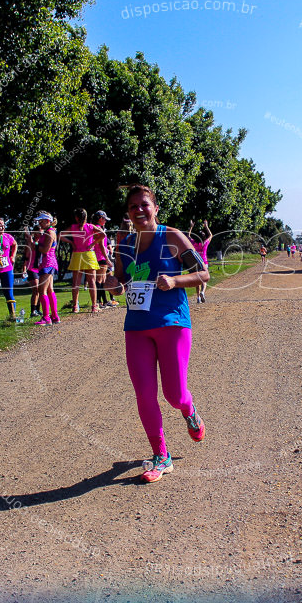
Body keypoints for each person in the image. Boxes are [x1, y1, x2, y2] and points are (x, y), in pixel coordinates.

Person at [105, 185, 210, 483]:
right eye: (132, 207)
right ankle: (161, 455)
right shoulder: (124, 244)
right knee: (144, 394)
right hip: (136, 327)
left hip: (172, 323)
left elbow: (203, 274)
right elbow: (120, 282)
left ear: (155, 208)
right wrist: (111, 282)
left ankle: (189, 411)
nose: (139, 210)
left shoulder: (172, 237)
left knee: (174, 394)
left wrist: (175, 280)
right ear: (128, 213)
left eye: (144, 205)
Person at [60, 208, 104, 313]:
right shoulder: (90, 226)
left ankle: (75, 306)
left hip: (77, 255)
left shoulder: (73, 227)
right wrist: (93, 243)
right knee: (92, 282)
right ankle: (94, 306)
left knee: (76, 282)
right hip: (89, 255)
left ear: (76, 217)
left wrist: (71, 243)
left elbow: (61, 236)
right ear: (86, 217)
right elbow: (103, 235)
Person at [33, 211, 61, 325]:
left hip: (47, 263)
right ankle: (54, 316)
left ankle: (46, 317)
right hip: (49, 262)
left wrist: (35, 244)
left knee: (42, 290)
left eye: (41, 221)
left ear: (48, 221)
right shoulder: (50, 232)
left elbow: (45, 249)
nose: (39, 223)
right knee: (49, 289)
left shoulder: (50, 232)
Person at [92, 210, 118, 308]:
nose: (106, 221)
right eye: (104, 219)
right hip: (101, 256)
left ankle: (104, 301)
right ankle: (98, 302)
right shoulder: (99, 230)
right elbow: (102, 246)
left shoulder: (94, 228)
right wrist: (107, 258)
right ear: (100, 219)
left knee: (102, 280)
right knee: (99, 280)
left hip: (97, 256)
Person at [187, 220, 213, 303]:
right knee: (204, 280)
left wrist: (191, 227)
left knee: (197, 280)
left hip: (196, 263)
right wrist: (206, 226)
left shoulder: (194, 243)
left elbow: (188, 236)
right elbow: (211, 235)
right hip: (204, 263)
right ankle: (202, 292)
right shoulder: (205, 243)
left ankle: (198, 297)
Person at [21, 226, 42, 318]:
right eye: (39, 232)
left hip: (41, 268)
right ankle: (33, 310)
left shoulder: (43, 243)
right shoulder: (30, 244)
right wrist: (24, 269)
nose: (40, 234)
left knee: (41, 290)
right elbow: (26, 258)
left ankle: (38, 309)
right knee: (36, 289)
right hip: (32, 268)